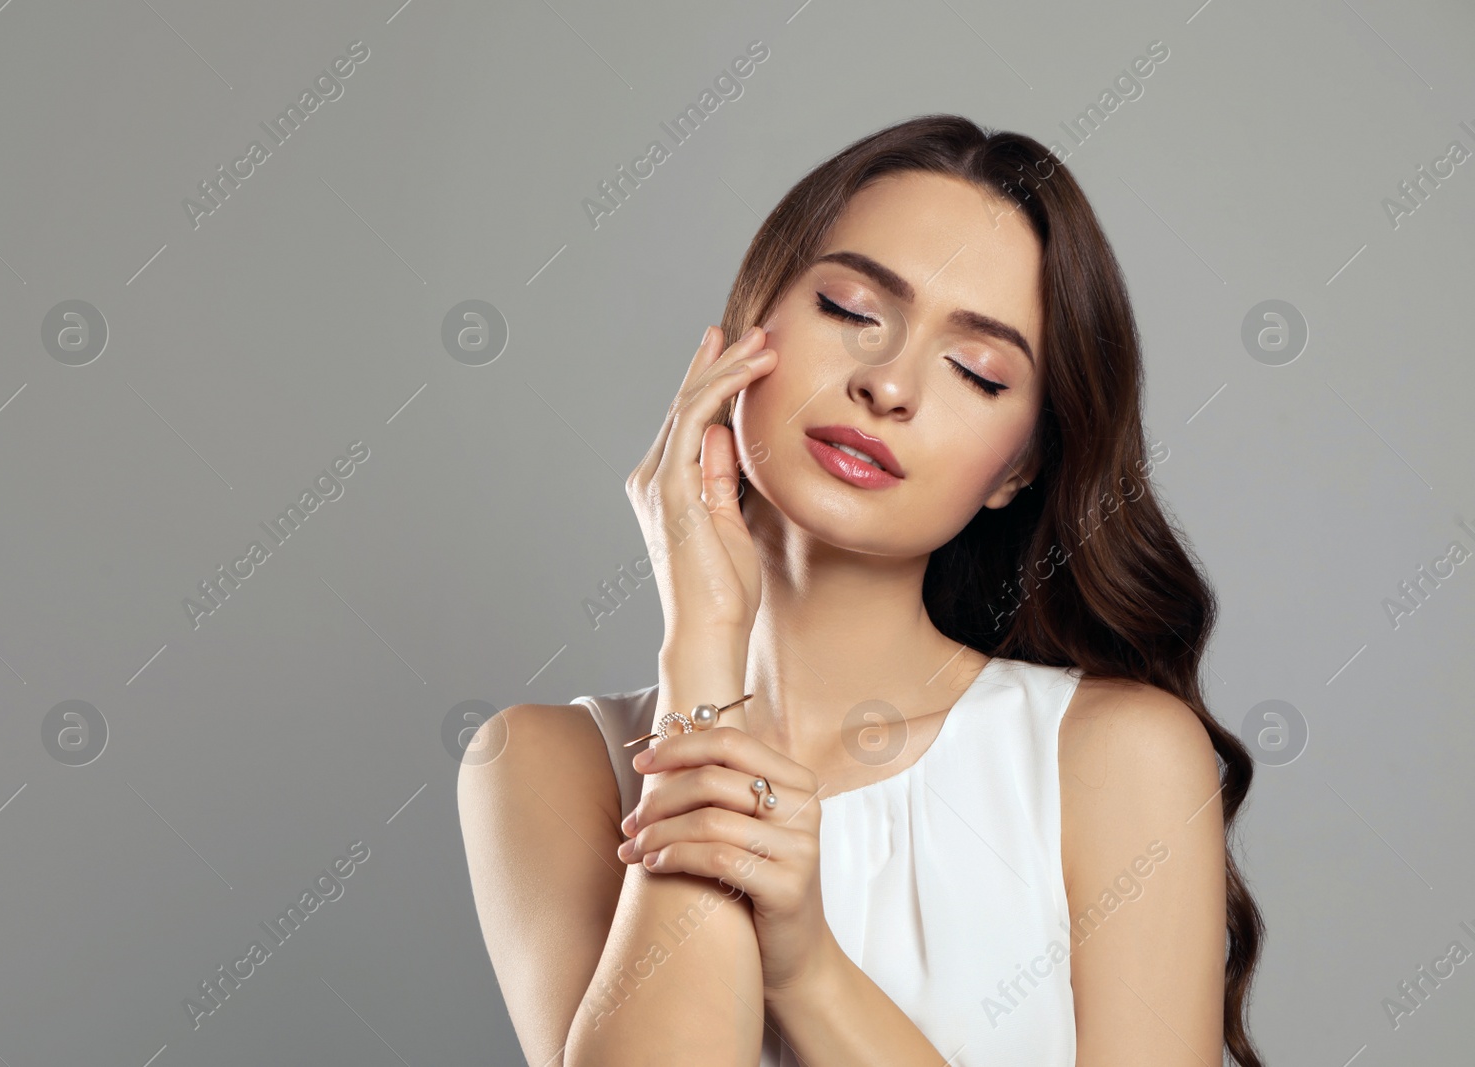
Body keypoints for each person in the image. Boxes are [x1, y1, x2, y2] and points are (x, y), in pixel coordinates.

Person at [457, 113, 1264, 1067]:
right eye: (849, 310)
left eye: (975, 369)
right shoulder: (546, 763)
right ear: (748, 326)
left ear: (1017, 469)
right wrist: (705, 650)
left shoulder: (1115, 757)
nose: (889, 385)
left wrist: (808, 970)